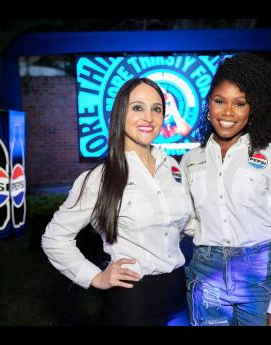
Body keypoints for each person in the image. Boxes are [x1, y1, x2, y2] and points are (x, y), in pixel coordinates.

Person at [42, 77, 193, 326]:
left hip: (179, 294)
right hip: (133, 302)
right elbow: (54, 238)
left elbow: (186, 226)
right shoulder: (99, 178)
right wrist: (96, 277)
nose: (149, 117)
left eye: (156, 108)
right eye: (137, 107)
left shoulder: (172, 168)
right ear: (120, 112)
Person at [180, 53, 271, 326]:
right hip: (205, 274)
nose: (227, 112)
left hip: (258, 275)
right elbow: (184, 218)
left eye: (240, 103)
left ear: (253, 108)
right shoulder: (190, 160)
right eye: (219, 101)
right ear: (208, 103)